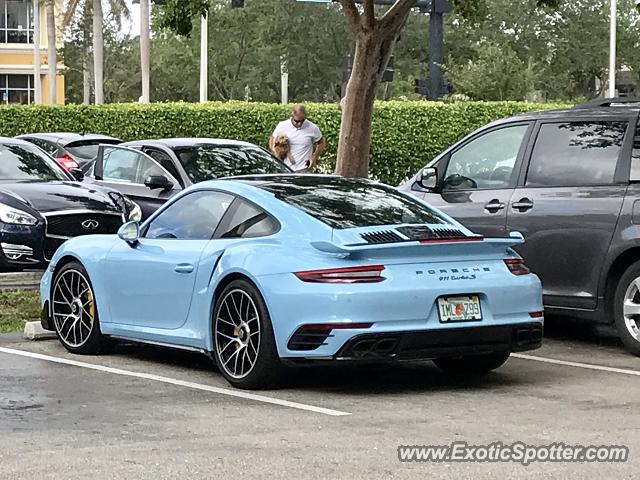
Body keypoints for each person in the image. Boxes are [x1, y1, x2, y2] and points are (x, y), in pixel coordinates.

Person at [270, 104, 326, 173]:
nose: (299, 124)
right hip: (285, 169)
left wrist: (314, 156)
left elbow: (321, 143)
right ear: (292, 116)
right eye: (296, 121)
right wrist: (276, 154)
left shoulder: (312, 128)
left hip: (304, 169)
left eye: (301, 121)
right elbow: (272, 140)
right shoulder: (282, 125)